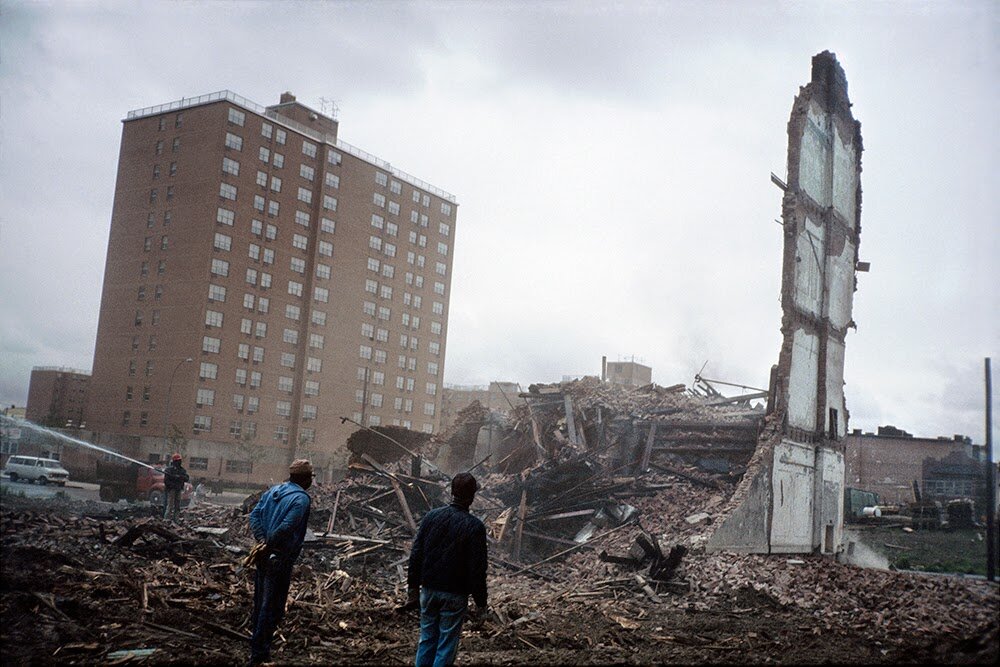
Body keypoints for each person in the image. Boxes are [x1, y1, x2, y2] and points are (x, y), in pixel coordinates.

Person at [406, 472, 488, 667]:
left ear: (452, 492)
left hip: (428, 590)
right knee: (445, 645)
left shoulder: (431, 517)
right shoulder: (475, 527)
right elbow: (477, 569)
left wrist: (412, 589)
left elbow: (416, 553)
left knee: (426, 640)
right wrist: (481, 603)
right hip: (454, 594)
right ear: (472, 497)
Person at [247, 459, 313, 666]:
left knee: (260, 604)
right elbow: (287, 526)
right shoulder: (301, 499)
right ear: (304, 478)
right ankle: (259, 654)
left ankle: (258, 649)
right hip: (279, 558)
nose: (311, 481)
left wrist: (261, 541)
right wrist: (270, 543)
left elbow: (254, 515)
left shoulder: (273, 492)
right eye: (310, 477)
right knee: (272, 607)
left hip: (264, 556)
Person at [162, 453, 189, 522]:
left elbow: (186, 478)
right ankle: (166, 519)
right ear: (174, 461)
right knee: (170, 506)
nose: (179, 462)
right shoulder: (169, 470)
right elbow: (166, 481)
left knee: (177, 506)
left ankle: (176, 520)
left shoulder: (182, 470)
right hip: (171, 490)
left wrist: (179, 477)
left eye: (179, 460)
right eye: (177, 460)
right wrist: (174, 484)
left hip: (178, 489)